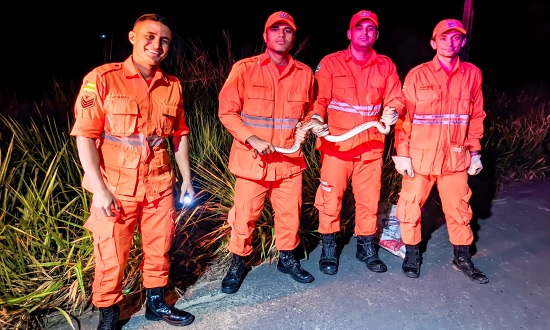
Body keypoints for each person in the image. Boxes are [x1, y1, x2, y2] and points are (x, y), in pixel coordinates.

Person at [70, 13, 195, 329]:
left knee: (159, 248)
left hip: (160, 185)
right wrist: (99, 190)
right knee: (111, 257)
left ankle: (156, 304)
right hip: (115, 187)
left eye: (164, 40)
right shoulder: (102, 78)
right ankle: (110, 316)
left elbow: (179, 135)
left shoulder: (172, 86)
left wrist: (186, 182)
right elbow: (85, 135)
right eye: (149, 37)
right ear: (132, 37)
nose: (156, 45)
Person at [217, 10, 316, 294]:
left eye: (287, 31)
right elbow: (227, 111)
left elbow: (307, 113)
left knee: (290, 215)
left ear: (293, 38)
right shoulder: (244, 69)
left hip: (288, 161)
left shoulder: (305, 73)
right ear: (266, 35)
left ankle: (287, 259)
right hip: (252, 161)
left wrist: (308, 126)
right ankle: (238, 263)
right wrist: (251, 138)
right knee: (244, 216)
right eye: (276, 30)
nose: (281, 35)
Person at [308, 10, 405, 276]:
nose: (365, 32)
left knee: (369, 200)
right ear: (350, 34)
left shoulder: (386, 66)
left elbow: (396, 97)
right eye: (359, 28)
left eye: (370, 28)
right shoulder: (330, 63)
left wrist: (392, 111)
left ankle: (365, 246)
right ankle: (329, 247)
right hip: (336, 147)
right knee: (330, 198)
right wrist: (316, 117)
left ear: (376, 35)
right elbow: (319, 99)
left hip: (371, 147)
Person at [392, 18, 489, 284]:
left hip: (456, 156)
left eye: (456, 37)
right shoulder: (417, 74)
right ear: (434, 43)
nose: (450, 42)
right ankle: (412, 253)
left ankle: (462, 257)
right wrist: (402, 153)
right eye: (444, 38)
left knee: (459, 208)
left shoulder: (472, 74)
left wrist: (475, 150)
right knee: (411, 207)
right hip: (420, 156)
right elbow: (404, 118)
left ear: (463, 41)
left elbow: (476, 116)